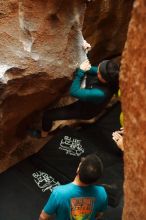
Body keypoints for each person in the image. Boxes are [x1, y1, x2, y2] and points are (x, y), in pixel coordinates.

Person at [39, 154, 108, 220]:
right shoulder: (102, 193)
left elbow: (43, 217)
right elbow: (99, 214)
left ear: (78, 169)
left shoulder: (59, 193)